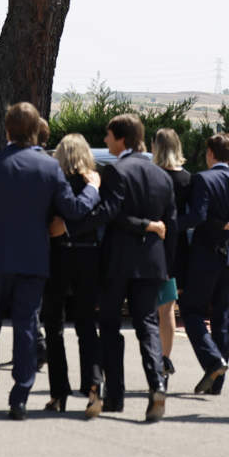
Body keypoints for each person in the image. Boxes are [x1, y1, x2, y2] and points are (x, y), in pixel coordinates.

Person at [0, 103, 100, 421]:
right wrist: (92, 189)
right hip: (33, 260)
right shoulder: (48, 167)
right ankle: (20, 397)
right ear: (36, 129)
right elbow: (74, 210)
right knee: (26, 327)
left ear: (7, 130)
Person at [70, 114, 174, 421]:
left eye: (108, 136)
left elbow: (111, 214)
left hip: (118, 262)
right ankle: (156, 383)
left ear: (121, 139)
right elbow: (173, 225)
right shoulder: (162, 176)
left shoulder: (117, 171)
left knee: (111, 327)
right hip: (153, 262)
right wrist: (167, 265)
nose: (104, 141)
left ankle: (115, 395)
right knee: (147, 326)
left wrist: (75, 224)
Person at [178, 132, 229, 395]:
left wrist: (172, 223)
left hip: (205, 255)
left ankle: (212, 361)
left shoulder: (203, 179)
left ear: (210, 153)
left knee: (191, 310)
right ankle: (216, 384)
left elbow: (197, 216)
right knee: (223, 318)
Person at [41, 134, 102, 414]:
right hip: (90, 256)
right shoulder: (95, 182)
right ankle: (93, 385)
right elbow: (102, 216)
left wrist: (64, 226)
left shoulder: (55, 183)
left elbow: (48, 218)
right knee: (87, 325)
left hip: (58, 256)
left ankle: (58, 392)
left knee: (54, 327)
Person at [152, 127, 191, 378]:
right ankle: (165, 357)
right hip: (179, 251)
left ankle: (157, 357)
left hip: (153, 248)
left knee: (151, 309)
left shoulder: (154, 176)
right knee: (168, 308)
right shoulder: (189, 178)